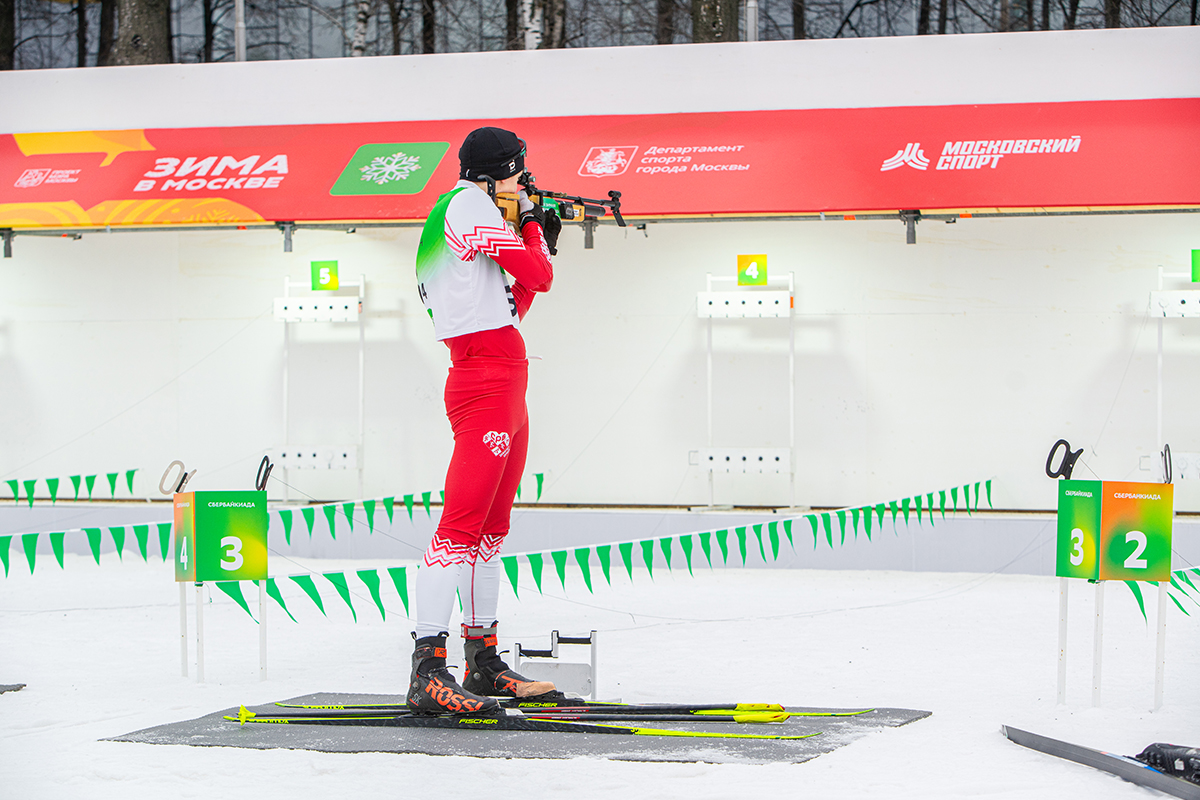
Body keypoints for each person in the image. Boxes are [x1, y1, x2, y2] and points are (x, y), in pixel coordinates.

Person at [407, 127, 563, 715]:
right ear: (497, 174)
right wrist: (531, 226)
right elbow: (540, 275)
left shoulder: (472, 217)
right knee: (459, 529)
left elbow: (516, 301)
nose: (520, 185)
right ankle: (427, 668)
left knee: (490, 532)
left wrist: (534, 234)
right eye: (517, 175)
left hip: (505, 376)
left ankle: (483, 660)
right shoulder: (468, 204)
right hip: (485, 380)